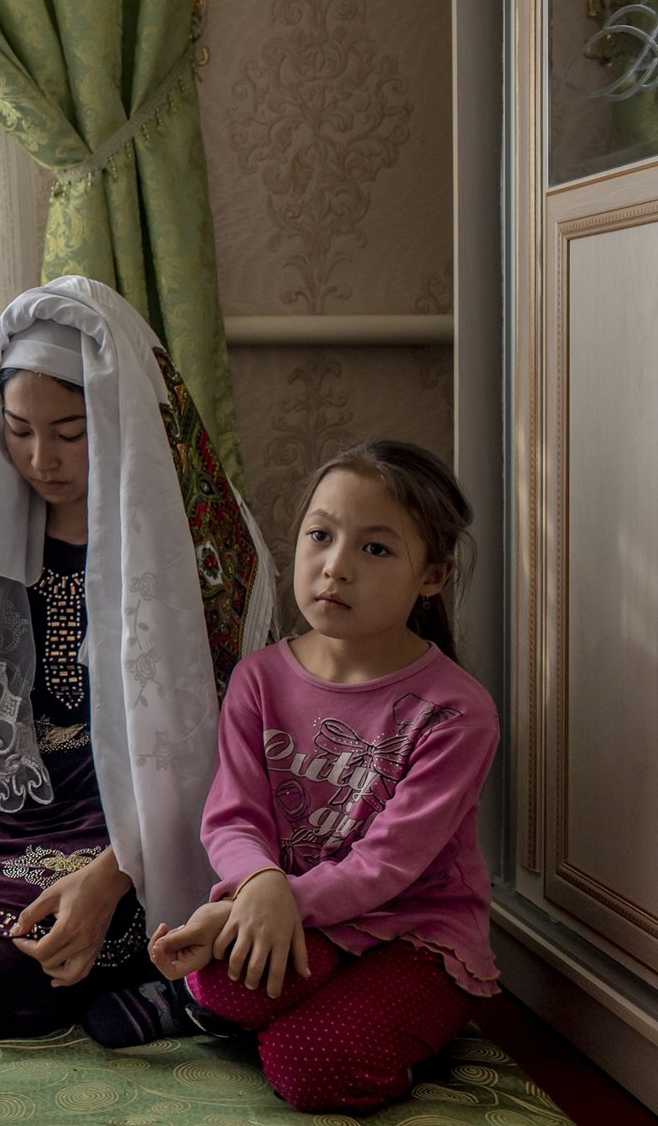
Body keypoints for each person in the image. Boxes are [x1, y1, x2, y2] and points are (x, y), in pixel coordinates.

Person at [0, 277, 275, 1044]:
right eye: (18, 430)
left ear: (122, 419)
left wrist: (116, 871)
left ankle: (141, 963)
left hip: (130, 816)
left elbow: (216, 757)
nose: (40, 459)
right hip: (18, 803)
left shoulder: (191, 545)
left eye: (71, 431)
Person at [146, 440, 497, 1113]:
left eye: (376, 549)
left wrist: (257, 906)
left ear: (433, 575)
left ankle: (390, 1021)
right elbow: (234, 816)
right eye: (321, 535)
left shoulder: (455, 712)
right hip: (304, 916)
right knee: (226, 981)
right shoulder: (261, 678)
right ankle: (224, 1008)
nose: (335, 567)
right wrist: (259, 884)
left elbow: (386, 867)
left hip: (414, 934)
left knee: (311, 1069)